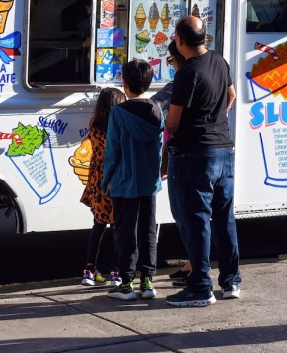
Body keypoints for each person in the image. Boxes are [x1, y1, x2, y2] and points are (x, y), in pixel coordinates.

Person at [165, 15, 241, 308]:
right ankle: (231, 280)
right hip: (224, 149)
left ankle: (200, 287)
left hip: (194, 153)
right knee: (224, 218)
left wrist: (191, 126)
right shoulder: (219, 61)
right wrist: (215, 119)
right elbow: (231, 95)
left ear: (180, 41)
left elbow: (173, 121)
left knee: (197, 220)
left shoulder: (187, 73)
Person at [102, 59, 164, 301]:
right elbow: (160, 147)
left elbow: (112, 150)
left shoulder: (118, 113)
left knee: (125, 232)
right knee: (148, 230)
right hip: (149, 181)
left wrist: (106, 180)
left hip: (124, 182)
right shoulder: (157, 110)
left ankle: (126, 284)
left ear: (124, 84)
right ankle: (148, 282)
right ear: (148, 83)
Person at [150, 40, 192, 285]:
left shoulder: (178, 85)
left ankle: (195, 269)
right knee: (194, 213)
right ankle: (193, 265)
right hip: (204, 151)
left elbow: (156, 110)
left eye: (171, 60)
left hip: (182, 154)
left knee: (185, 212)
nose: (171, 65)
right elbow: (231, 96)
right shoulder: (213, 71)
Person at [79, 86, 126, 287]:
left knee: (98, 225)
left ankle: (89, 270)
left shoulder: (94, 124)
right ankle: (116, 272)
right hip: (115, 178)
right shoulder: (120, 126)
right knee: (117, 227)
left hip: (97, 178)